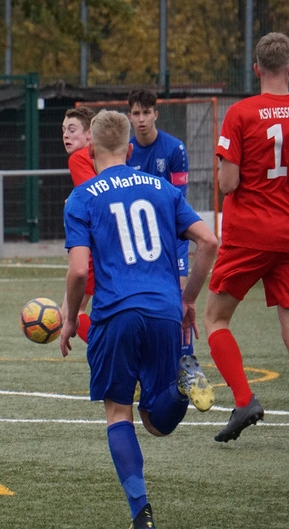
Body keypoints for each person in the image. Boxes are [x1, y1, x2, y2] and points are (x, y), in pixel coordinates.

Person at [60, 110, 218, 529]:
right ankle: (184, 381)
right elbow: (209, 241)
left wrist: (71, 319)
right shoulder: (164, 190)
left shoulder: (82, 197)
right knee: (157, 420)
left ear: (90, 151)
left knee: (119, 414)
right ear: (131, 150)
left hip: (116, 314)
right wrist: (188, 300)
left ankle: (142, 517)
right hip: (166, 311)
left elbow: (77, 273)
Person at [205, 31, 289, 445]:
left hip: (249, 234)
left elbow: (228, 184)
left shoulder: (241, 113)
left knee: (215, 318)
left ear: (257, 68)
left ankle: (244, 400)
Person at [126, 88, 196, 360]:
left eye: (146, 112)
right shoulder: (127, 152)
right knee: (140, 304)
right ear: (129, 116)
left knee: (178, 302)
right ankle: (146, 365)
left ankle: (187, 362)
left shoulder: (174, 149)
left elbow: (181, 201)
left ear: (156, 114)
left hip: (171, 238)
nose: (141, 118)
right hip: (137, 242)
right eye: (136, 113)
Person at [61, 105, 97, 343]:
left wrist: (75, 201)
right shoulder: (103, 156)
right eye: (63, 130)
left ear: (89, 135)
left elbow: (96, 196)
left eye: (72, 129)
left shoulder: (78, 158)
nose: (66, 135)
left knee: (71, 313)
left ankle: (115, 358)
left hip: (95, 247)